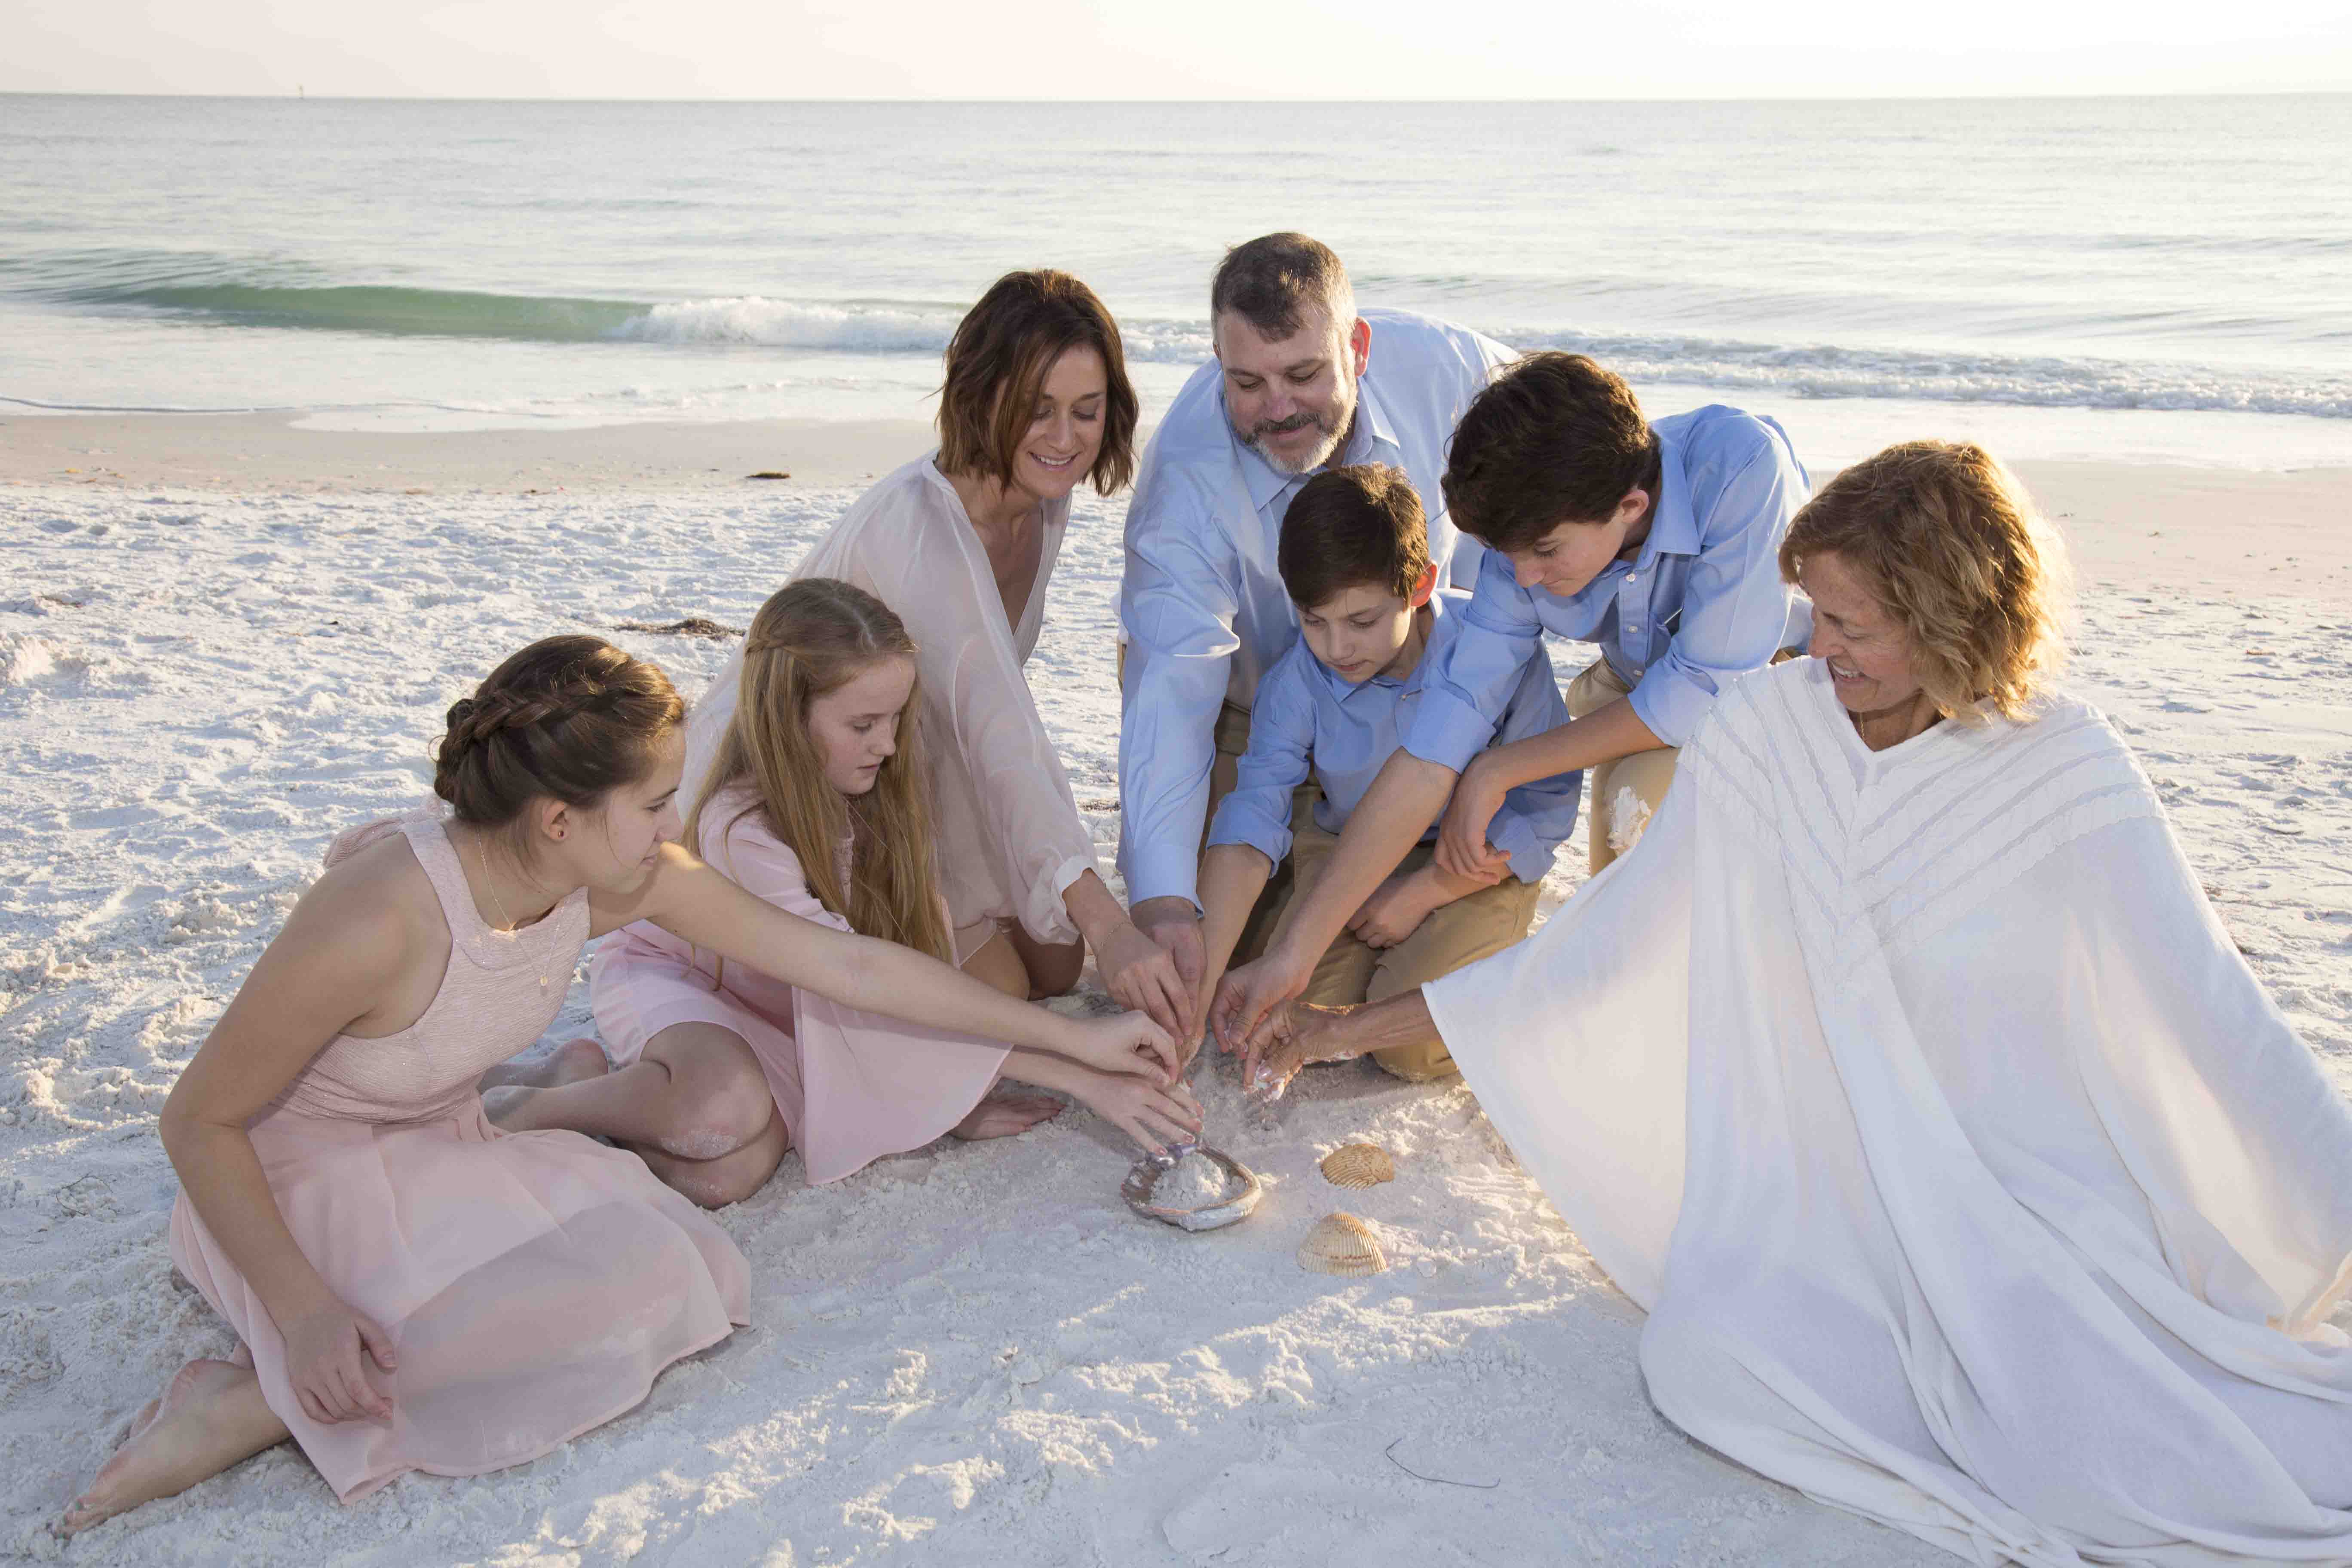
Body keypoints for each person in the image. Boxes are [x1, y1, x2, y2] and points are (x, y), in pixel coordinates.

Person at [1227, 443, 2352, 1566]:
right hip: (1823, 1193)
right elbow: (1591, 959)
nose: (1822, 648)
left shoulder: (2060, 764)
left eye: (1854, 626)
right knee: (1706, 1360)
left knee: (2092, 1438)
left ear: (1950, 613)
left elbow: (2210, 1007)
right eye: (1816, 612)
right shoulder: (1773, 729)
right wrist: (1340, 1031)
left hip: (2021, 1180)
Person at [64, 635, 1184, 1533]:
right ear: (560, 820)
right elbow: (198, 1119)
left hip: (446, 1142)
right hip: (292, 1176)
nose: (672, 820)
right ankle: (253, 1395)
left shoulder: (611, 877)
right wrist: (305, 1319)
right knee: (451, 1336)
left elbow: (843, 964)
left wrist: (1077, 1046)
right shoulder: (379, 914)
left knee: (671, 1280)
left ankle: (264, 1393)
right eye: (654, 800)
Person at [489, 583, 1204, 1206]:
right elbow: (854, 977)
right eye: (862, 725)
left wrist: (953, 1100)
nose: (887, 744)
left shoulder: (881, 788)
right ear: (786, 718)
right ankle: (541, 1107)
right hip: (686, 983)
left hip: (795, 1003)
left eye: (895, 719)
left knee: (726, 1173)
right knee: (719, 1110)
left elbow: (905, 960)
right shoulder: (740, 826)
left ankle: (587, 1082)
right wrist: (1080, 1069)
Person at [1212, 352, 1808, 1042]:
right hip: (1632, 685)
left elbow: (1704, 691)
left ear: (1632, 507)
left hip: (1768, 685)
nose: (1522, 577)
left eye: (1546, 554)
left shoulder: (1740, 468)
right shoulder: (1528, 530)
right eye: (1508, 556)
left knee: (1642, 844)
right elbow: (1438, 740)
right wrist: (1293, 958)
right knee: (1621, 903)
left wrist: (1501, 767)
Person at [686, 269, 1191, 1036]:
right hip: (804, 785)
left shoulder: (1040, 503)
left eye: (1086, 412)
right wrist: (1111, 927)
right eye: (1036, 411)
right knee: (1008, 991)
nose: (1063, 440)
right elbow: (998, 733)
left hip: (911, 760)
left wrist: (1094, 919)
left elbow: (975, 720)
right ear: (982, 397)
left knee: (1053, 966)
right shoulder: (922, 527)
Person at [1117, 233, 1516, 1019]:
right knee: (1220, 937)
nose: (1279, 409)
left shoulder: (1454, 374)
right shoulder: (1187, 480)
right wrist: (1164, 904)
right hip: (1251, 709)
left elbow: (1575, 439)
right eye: (1246, 383)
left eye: (1303, 374)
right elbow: (1170, 693)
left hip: (1435, 702)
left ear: (1357, 348)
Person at [1193, 464, 1576, 1082]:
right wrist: (1203, 975)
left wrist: (1429, 891)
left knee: (1407, 1051)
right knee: (1279, 1008)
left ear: (1420, 586)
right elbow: (1253, 815)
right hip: (1347, 846)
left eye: (1362, 622)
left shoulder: (1497, 649)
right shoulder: (1295, 679)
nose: (1336, 648)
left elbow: (1548, 808)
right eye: (1314, 621)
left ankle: (1512, 981)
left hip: (1475, 862)